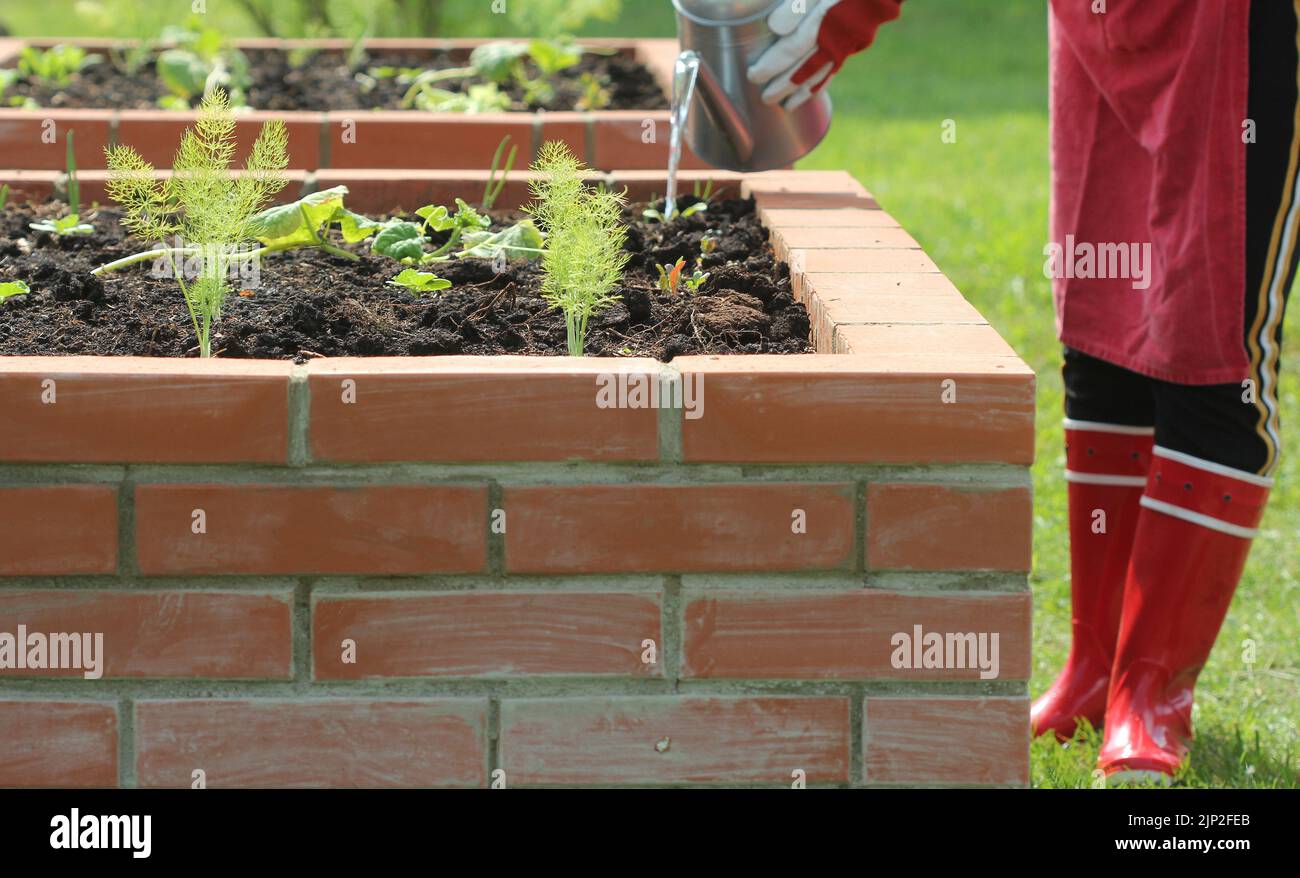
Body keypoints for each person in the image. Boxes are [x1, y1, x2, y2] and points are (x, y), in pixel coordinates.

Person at [748, 0, 1292, 783]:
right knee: (1100, 333)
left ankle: (1152, 694)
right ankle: (1094, 672)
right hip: (1093, 23)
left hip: (1229, 27)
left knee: (1209, 350)